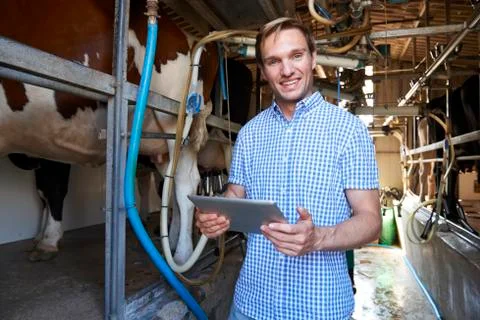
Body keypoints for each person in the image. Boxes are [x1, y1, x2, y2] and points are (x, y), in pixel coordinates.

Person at [195, 17, 381, 320]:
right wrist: (215, 215)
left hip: (320, 308)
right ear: (264, 71)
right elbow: (235, 192)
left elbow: (371, 221)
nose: (287, 70)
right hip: (251, 304)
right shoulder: (250, 133)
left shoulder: (348, 130)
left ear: (312, 58)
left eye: (296, 55)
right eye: (273, 61)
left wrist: (319, 237)